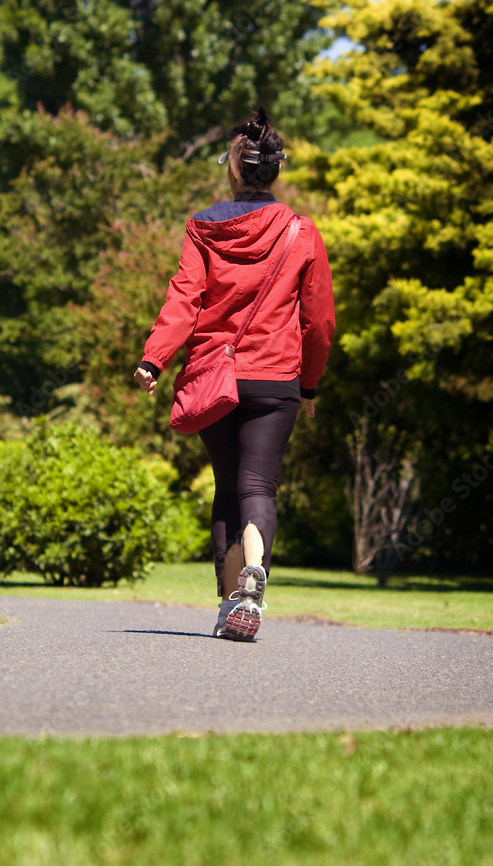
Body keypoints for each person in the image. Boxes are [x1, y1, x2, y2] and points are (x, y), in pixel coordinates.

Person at [134, 106, 335, 641]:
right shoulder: (301, 232)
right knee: (259, 488)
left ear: (234, 167)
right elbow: (318, 321)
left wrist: (155, 357)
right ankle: (253, 583)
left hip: (212, 376)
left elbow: (185, 298)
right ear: (276, 169)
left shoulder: (203, 227)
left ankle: (229, 605)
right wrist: (309, 383)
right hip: (275, 378)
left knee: (228, 489)